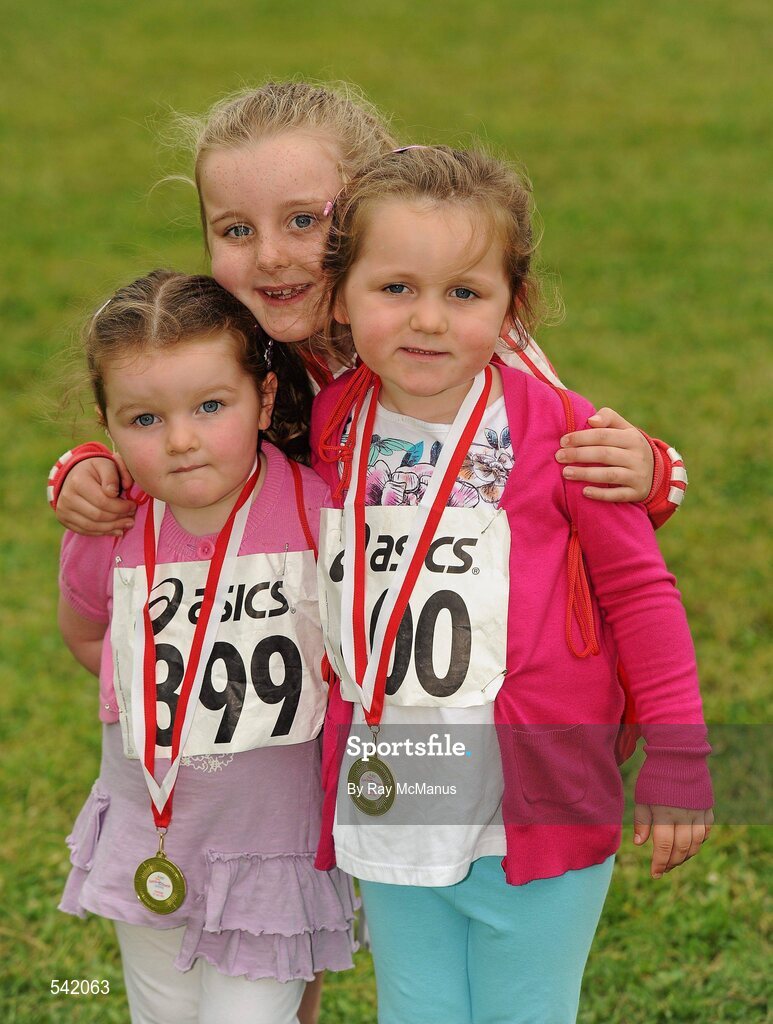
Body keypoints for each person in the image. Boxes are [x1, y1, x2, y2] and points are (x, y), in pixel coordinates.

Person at [307, 145, 713, 1024]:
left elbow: (642, 598)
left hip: (537, 796)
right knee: (415, 1011)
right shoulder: (334, 422)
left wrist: (679, 759)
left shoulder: (567, 436)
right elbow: (204, 447)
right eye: (395, 288)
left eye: (463, 293)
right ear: (340, 295)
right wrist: (89, 469)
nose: (428, 320)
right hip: (395, 788)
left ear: (510, 307)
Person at [47, 81, 685, 541]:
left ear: (368, 214)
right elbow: (169, 425)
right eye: (236, 230)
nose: (269, 256)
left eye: (303, 221)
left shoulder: (453, 334)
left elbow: (580, 457)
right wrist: (89, 472)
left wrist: (652, 471)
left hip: (507, 655)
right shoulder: (225, 336)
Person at [57, 270, 355, 1024]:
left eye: (211, 406)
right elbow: (88, 629)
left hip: (269, 851)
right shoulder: (109, 528)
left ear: (263, 396)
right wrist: (164, 700)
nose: (181, 440)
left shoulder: (318, 513)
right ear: (108, 422)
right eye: (145, 419)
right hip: (150, 832)